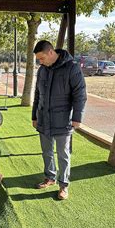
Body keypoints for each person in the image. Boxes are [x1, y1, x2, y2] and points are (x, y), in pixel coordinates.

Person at [32, 40, 86, 200]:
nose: (40, 62)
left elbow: (80, 94)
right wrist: (34, 115)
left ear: (50, 52)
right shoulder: (42, 70)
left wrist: (77, 117)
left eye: (41, 58)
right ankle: (50, 178)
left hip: (63, 120)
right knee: (46, 152)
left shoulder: (72, 68)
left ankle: (64, 185)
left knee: (63, 154)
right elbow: (37, 94)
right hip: (44, 118)